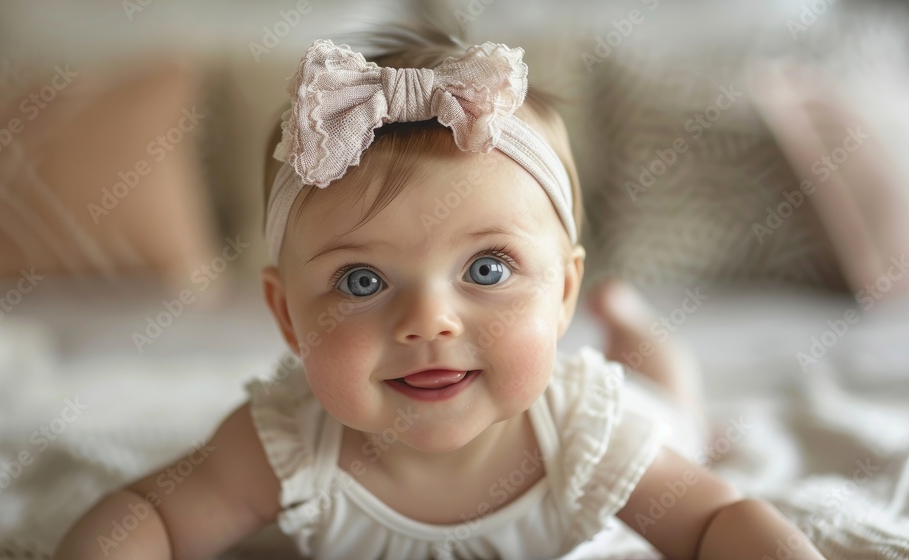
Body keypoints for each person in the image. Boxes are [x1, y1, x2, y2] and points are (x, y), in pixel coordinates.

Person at [53, 24, 826, 560]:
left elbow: (717, 521)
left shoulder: (591, 433)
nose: (428, 321)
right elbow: (149, 512)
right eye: (362, 281)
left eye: (487, 269)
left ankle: (634, 330)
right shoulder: (288, 443)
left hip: (648, 418)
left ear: (561, 293)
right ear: (288, 317)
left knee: (674, 408)